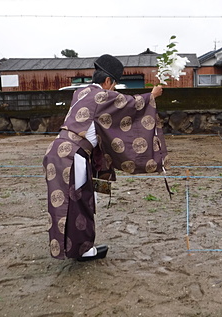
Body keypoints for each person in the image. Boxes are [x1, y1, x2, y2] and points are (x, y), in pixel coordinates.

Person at [43, 54, 168, 261]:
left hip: (56, 151)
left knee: (61, 203)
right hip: (74, 155)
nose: (114, 89)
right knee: (78, 201)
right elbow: (132, 104)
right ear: (108, 81)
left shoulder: (80, 92)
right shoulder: (102, 95)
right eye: (114, 84)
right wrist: (152, 95)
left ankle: (67, 248)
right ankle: (82, 250)